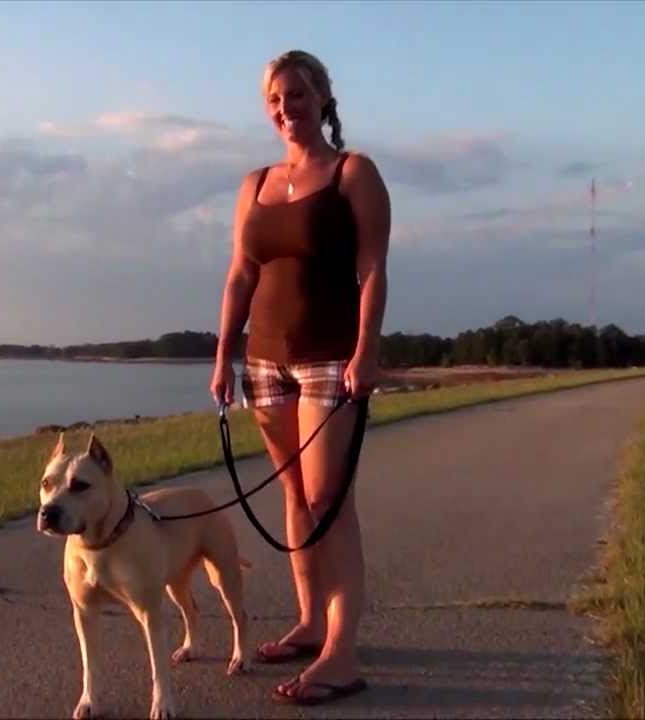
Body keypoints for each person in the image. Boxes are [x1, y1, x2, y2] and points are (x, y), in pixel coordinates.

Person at [210, 49, 391, 706]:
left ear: (322, 97)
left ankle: (343, 655)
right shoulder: (255, 183)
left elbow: (372, 267)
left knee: (326, 503)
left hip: (328, 359)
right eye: (275, 99)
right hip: (263, 361)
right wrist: (224, 354)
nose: (286, 108)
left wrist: (366, 350)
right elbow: (240, 274)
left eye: (297, 94)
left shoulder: (353, 173)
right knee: (291, 500)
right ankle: (312, 623)